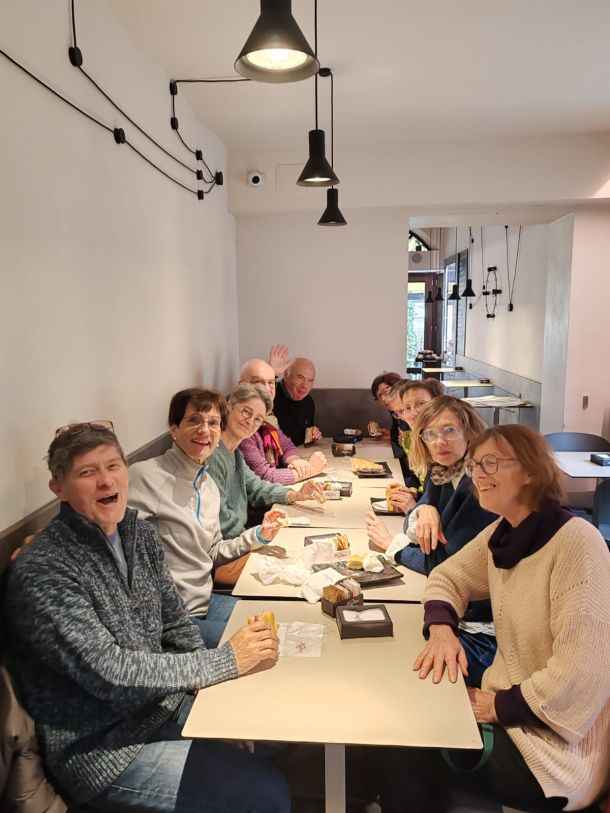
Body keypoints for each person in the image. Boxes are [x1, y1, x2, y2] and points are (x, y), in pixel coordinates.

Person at [4, 422, 289, 813]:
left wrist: (209, 698)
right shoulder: (45, 569)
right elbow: (111, 673)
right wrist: (224, 662)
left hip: (158, 706)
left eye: (113, 466)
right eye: (87, 472)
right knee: (266, 794)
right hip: (102, 747)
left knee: (276, 730)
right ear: (59, 489)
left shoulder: (137, 532)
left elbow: (175, 622)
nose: (106, 481)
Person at [378, 425, 610, 813]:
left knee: (406, 742)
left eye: (490, 463)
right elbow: (447, 577)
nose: (477, 475)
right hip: (513, 715)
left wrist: (495, 706)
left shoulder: (577, 545)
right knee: (409, 705)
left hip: (554, 752)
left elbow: (579, 676)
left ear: (532, 470)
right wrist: (442, 631)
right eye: (474, 465)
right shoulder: (504, 533)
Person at [128, 388, 283, 648]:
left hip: (205, 601)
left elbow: (213, 551)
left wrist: (258, 535)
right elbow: (117, 548)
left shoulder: (208, 485)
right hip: (172, 620)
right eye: (194, 420)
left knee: (277, 624)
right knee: (264, 645)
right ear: (174, 429)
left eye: (213, 423)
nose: (204, 430)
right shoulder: (145, 476)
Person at [366, 396, 497, 686]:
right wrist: (424, 509)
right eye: (430, 434)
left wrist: (394, 547)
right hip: (453, 609)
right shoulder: (442, 473)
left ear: (470, 431)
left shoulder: (477, 486)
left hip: (482, 629)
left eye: (450, 430)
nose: (440, 442)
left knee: (397, 672)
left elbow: (445, 567)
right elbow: (414, 525)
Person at [207, 383, 323, 538]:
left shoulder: (235, 453)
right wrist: (256, 539)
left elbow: (257, 488)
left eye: (257, 419)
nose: (250, 422)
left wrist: (295, 495)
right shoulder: (213, 456)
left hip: (241, 537)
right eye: (246, 412)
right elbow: (224, 524)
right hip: (228, 543)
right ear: (229, 407)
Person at [239, 358, 327, 484]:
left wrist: (296, 461)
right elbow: (264, 476)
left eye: (271, 382)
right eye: (258, 382)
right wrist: (310, 470)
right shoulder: (241, 422)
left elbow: (287, 445)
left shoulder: (267, 417)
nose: (266, 389)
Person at [274, 357, 322, 446]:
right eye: (300, 377)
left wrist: (313, 435)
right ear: (286, 375)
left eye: (310, 380)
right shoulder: (270, 395)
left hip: (297, 452)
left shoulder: (309, 402)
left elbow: (306, 438)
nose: (305, 385)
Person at [370, 372, 402, 450]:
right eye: (379, 396)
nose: (383, 399)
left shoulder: (412, 411)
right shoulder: (394, 412)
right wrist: (391, 436)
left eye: (385, 392)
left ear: (398, 388)